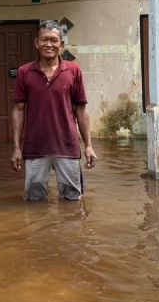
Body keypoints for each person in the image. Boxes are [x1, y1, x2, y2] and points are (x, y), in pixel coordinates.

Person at [11, 20, 97, 201]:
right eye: (44, 40)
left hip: (67, 147)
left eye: (53, 40)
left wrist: (88, 145)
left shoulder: (73, 70)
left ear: (61, 45)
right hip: (35, 149)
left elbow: (81, 109)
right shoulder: (24, 72)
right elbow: (19, 110)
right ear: (36, 43)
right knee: (34, 202)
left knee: (72, 202)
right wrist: (17, 148)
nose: (48, 44)